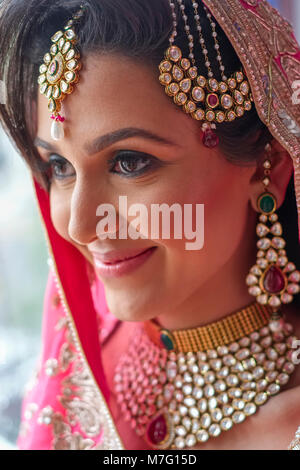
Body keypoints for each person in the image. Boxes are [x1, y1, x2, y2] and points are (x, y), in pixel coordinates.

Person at [0, 0, 300, 450]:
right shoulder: (78, 370)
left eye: (129, 162)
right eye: (59, 166)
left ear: (269, 166)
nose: (81, 225)